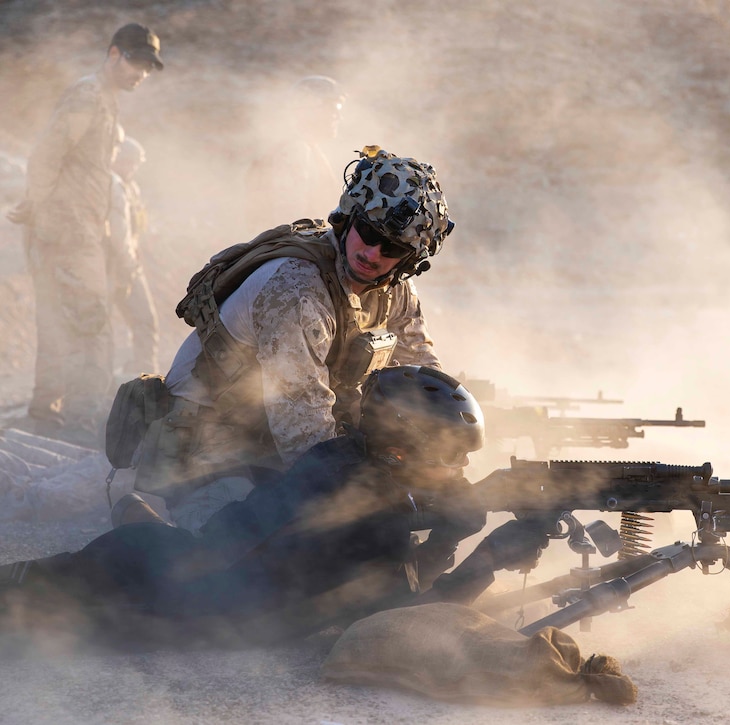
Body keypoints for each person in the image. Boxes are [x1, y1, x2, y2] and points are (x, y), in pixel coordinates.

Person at [1, 368, 548, 649]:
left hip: (169, 559)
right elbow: (406, 625)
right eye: (450, 457)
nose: (459, 471)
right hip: (146, 593)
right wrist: (485, 558)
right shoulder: (367, 515)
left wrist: (443, 527)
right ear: (401, 449)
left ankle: (139, 521)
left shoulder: (347, 457)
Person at [132, 146, 451, 532]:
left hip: (273, 446)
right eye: (367, 231)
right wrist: (374, 493)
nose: (372, 252)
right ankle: (144, 526)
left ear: (409, 259)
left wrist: (440, 459)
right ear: (349, 216)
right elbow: (302, 430)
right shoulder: (295, 286)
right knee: (254, 565)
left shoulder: (394, 287)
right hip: (212, 457)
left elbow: (422, 377)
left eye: (393, 249)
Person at [5, 23, 164, 445]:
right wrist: (41, 211)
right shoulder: (89, 95)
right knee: (92, 323)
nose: (140, 74)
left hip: (74, 229)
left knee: (59, 321)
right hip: (69, 232)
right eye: (135, 62)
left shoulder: (104, 101)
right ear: (113, 55)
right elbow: (46, 153)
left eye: (147, 68)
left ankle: (48, 410)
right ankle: (86, 417)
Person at [243, 75, 346, 231]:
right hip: (295, 250)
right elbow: (289, 222)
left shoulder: (306, 149)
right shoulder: (295, 151)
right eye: (332, 108)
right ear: (310, 110)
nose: (338, 116)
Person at [106, 132, 160, 375]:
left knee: (145, 321)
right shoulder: (106, 185)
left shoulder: (131, 188)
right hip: (108, 268)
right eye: (128, 161)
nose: (132, 167)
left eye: (135, 162)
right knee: (99, 328)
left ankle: (145, 377)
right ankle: (99, 380)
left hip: (130, 265)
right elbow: (116, 232)